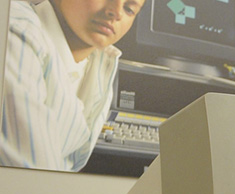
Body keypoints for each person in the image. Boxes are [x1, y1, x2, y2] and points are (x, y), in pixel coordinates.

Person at [1, 0, 145, 171]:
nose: (117, 12)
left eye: (129, 9)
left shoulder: (101, 61)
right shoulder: (14, 32)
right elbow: (36, 181)